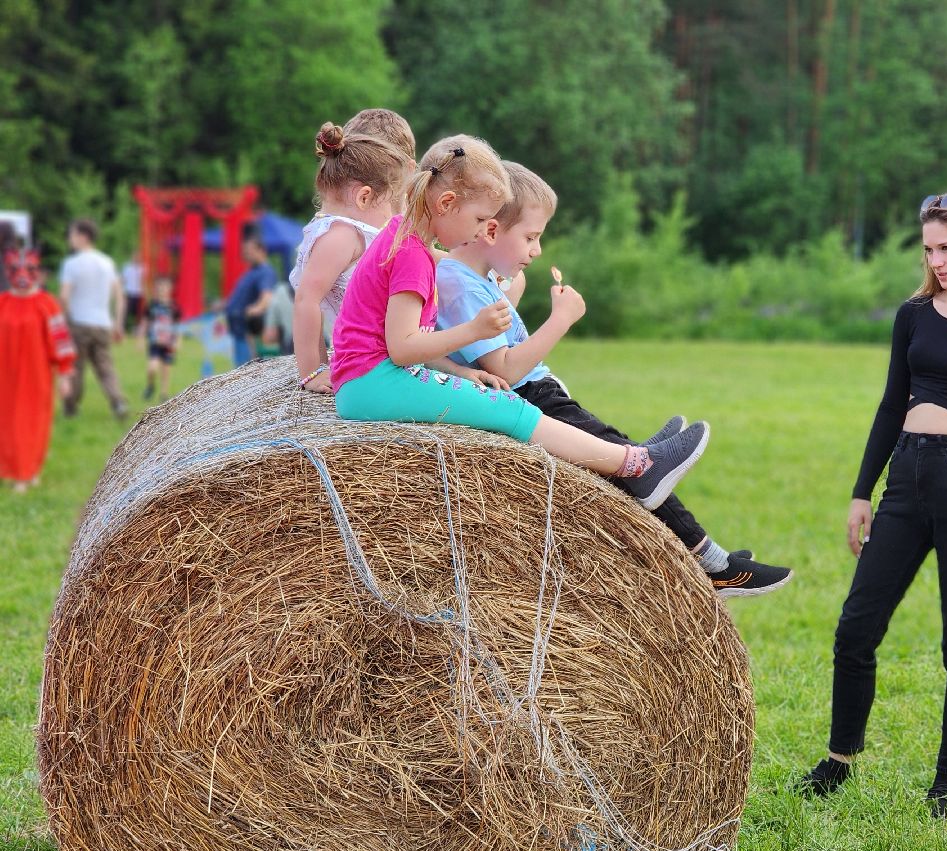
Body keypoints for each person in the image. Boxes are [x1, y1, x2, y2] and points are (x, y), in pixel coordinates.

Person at [436, 161, 793, 597]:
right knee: (638, 471)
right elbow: (505, 369)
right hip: (529, 395)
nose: (538, 249)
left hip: (538, 392)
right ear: (490, 231)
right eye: (531, 238)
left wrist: (508, 282)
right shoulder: (461, 284)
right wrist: (561, 320)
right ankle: (715, 564)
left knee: (623, 458)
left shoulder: (473, 278)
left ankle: (701, 543)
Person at [795, 190, 947, 816]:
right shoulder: (914, 315)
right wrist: (862, 491)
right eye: (928, 250)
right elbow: (889, 405)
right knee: (855, 628)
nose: (936, 261)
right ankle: (839, 760)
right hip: (905, 480)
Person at [330, 134, 709, 511]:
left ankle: (631, 457)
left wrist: (459, 372)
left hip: (369, 381)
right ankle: (636, 466)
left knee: (503, 402)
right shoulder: (412, 255)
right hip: (372, 384)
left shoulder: (408, 238)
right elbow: (401, 347)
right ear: (446, 204)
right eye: (480, 219)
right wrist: (473, 330)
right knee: (510, 411)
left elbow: (396, 338)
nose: (481, 231)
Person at [291, 111, 416, 395]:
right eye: (390, 205)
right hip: (368, 361)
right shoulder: (342, 236)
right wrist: (313, 371)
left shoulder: (345, 232)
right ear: (364, 197)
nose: (392, 215)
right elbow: (306, 300)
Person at [0, 247, 75, 491]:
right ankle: (13, 469)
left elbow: (61, 342)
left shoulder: (46, 304)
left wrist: (65, 374)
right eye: (15, 269)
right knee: (6, 423)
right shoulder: (3, 302)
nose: (22, 274)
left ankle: (27, 472)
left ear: (37, 271)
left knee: (30, 421)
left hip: (35, 377)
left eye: (29, 269)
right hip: (5, 377)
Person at [59, 218, 127, 419]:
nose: (70, 239)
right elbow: (119, 297)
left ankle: (71, 407)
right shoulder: (107, 262)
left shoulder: (71, 264)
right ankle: (118, 402)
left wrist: (65, 320)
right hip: (103, 323)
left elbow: (64, 297)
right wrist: (118, 323)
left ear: (83, 236)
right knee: (105, 368)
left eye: (72, 235)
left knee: (76, 368)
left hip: (79, 323)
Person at [225, 233, 276, 367]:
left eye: (249, 251)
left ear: (261, 250)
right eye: (245, 251)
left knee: (246, 367)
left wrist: (257, 309)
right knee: (240, 366)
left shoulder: (265, 272)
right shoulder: (252, 271)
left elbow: (267, 296)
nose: (246, 254)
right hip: (238, 328)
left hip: (248, 330)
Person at [141, 275, 178, 402]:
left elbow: (178, 326)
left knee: (166, 370)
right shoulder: (152, 306)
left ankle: (164, 394)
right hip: (155, 342)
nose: (162, 289)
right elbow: (145, 322)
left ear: (170, 289)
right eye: (160, 287)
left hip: (168, 343)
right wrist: (140, 338)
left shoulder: (174, 307)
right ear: (156, 289)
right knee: (152, 368)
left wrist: (177, 341)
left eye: (165, 287)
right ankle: (150, 385)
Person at [121, 256, 145, 336]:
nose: (136, 258)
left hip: (139, 293)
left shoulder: (143, 268)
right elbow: (123, 279)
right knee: (126, 312)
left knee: (138, 314)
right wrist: (122, 292)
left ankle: (137, 330)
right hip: (129, 293)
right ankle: (122, 329)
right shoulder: (127, 267)